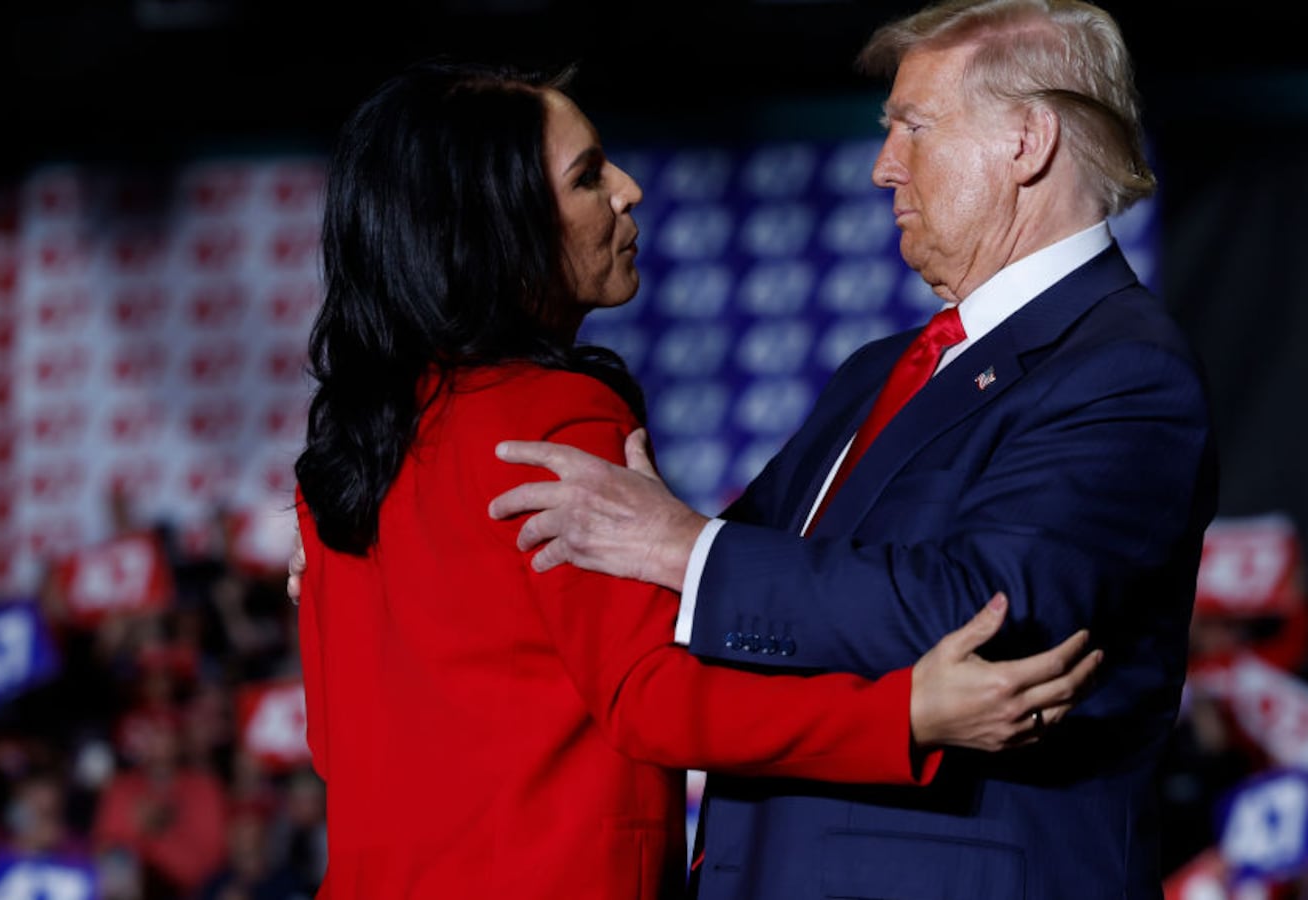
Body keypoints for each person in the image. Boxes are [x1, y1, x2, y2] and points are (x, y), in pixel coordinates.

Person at [290, 58, 1105, 898]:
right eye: (587, 177)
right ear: (496, 227)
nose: (629, 189)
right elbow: (651, 697)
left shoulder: (345, 455)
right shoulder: (555, 416)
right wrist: (905, 714)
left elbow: (332, 742)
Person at [486, 1, 1219, 896]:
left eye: (912, 128)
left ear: (1028, 141)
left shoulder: (1123, 369)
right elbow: (700, 588)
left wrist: (686, 546)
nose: (884, 168)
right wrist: (387, 534)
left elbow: (989, 615)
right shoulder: (882, 371)